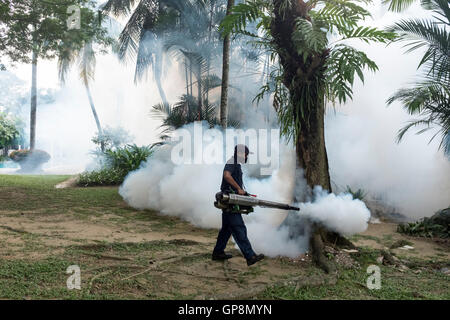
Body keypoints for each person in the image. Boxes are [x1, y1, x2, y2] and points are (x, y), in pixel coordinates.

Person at [212, 144, 265, 266]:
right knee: (239, 227)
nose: (247, 157)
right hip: (230, 201)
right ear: (241, 154)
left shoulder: (236, 164)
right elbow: (227, 175)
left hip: (232, 200)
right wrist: (238, 188)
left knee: (226, 229)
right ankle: (250, 256)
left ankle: (218, 252)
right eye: (246, 154)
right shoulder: (232, 162)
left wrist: (243, 192)